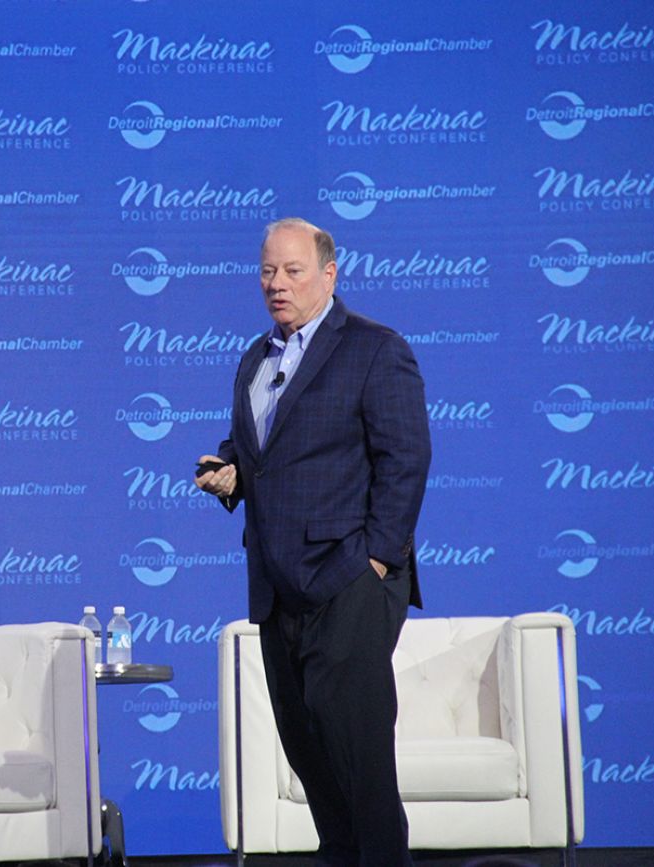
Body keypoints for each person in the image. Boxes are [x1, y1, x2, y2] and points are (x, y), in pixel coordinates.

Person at [197, 217, 432, 866]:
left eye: (293, 270)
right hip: (277, 593)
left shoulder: (374, 349)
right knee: (317, 773)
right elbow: (261, 452)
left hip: (348, 584)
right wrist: (231, 471)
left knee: (361, 775)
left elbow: (405, 459)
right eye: (268, 271)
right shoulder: (256, 358)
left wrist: (376, 563)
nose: (278, 283)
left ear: (329, 274)